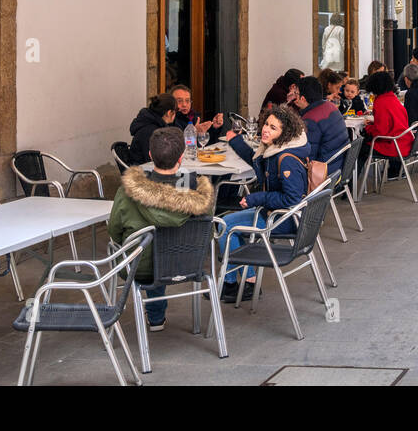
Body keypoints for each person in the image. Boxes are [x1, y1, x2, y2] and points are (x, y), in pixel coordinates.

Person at [108, 126, 216, 332]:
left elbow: (114, 231)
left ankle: (156, 317)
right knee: (164, 252)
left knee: (148, 255)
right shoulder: (196, 192)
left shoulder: (128, 191)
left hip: (140, 268)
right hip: (188, 264)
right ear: (182, 157)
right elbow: (208, 234)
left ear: (150, 155)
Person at [220, 106, 311, 300]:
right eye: (266, 124)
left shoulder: (286, 160)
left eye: (273, 128)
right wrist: (235, 141)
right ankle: (246, 282)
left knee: (225, 226)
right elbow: (257, 162)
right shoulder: (274, 150)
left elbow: (291, 199)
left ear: (285, 133)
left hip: (282, 218)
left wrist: (256, 198)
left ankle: (235, 285)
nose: (266, 129)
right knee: (228, 223)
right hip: (274, 213)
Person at [361, 71, 412, 181]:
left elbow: (381, 132)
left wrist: (368, 128)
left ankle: (351, 184)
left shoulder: (380, 102)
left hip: (394, 145)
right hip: (404, 142)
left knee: (360, 148)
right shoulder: (393, 98)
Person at [292, 75, 349, 171]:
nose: (294, 97)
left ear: (303, 98)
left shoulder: (310, 120)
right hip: (339, 163)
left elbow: (308, 156)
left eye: (296, 93)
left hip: (325, 170)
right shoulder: (330, 106)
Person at [128, 93, 177, 165]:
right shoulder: (151, 131)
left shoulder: (150, 124)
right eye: (176, 110)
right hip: (143, 172)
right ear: (169, 113)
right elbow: (154, 160)